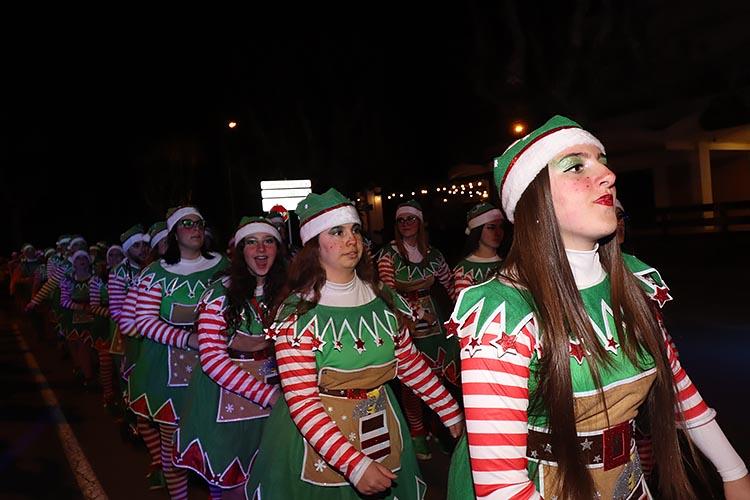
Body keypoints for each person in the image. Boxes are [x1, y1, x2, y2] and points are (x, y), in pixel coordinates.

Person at [446, 115, 749, 500]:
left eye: (602, 162)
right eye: (576, 166)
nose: (607, 175)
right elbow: (501, 487)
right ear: (531, 198)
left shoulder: (634, 283)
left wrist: (733, 470)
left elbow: (675, 385)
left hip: (626, 480)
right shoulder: (502, 311)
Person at [245, 188, 463, 499]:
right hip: (319, 438)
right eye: (337, 232)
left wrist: (448, 408)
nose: (352, 240)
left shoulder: (383, 297)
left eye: (355, 230)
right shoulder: (297, 313)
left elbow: (408, 363)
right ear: (314, 245)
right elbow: (303, 402)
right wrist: (354, 465)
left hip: (382, 423)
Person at [174, 216, 287, 499]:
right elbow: (213, 361)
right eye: (251, 242)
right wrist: (269, 396)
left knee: (270, 479)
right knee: (231, 483)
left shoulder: (289, 290)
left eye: (268, 241)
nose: (261, 249)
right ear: (239, 250)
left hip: (274, 391)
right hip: (226, 396)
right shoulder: (218, 294)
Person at [129, 206, 228, 499]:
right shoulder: (156, 273)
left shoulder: (223, 266)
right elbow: (144, 322)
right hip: (167, 370)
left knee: (214, 445)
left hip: (217, 365)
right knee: (172, 446)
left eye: (199, 223)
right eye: (187, 223)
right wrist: (189, 339)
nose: (196, 228)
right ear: (173, 233)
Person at [376, 199, 457, 459]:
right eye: (400, 220)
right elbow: (388, 292)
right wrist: (416, 307)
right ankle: (417, 433)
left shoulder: (433, 254)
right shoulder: (388, 254)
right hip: (404, 321)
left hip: (435, 321)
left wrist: (464, 314)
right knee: (412, 381)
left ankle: (441, 429)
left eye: (410, 218)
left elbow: (451, 285)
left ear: (420, 222)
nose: (405, 224)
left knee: (439, 376)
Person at [452, 203, 505, 296]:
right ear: (477, 231)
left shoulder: (509, 263)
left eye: (501, 227)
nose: (498, 232)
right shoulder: (465, 270)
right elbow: (464, 303)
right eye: (491, 227)